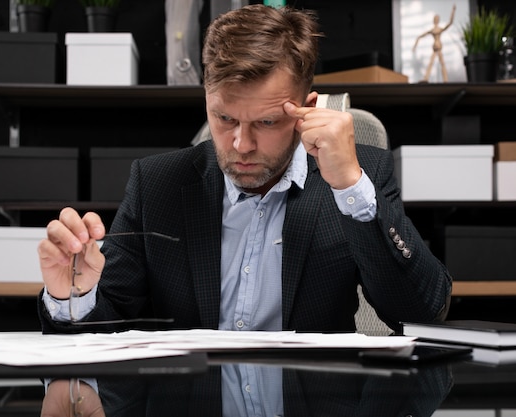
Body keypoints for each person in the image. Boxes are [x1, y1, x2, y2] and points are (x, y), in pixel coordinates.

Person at [37, 4, 452, 416]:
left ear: (308, 107)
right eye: (224, 118)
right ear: (206, 100)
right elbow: (104, 332)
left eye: (267, 123)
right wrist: (73, 294)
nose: (241, 145)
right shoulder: (157, 184)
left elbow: (423, 311)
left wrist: (351, 187)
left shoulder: (359, 175)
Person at [412, 4, 457, 82]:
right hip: (435, 47)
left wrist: (453, 11)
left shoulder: (439, 29)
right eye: (435, 19)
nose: (435, 20)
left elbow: (450, 23)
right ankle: (426, 78)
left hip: (438, 47)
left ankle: (445, 80)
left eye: (436, 19)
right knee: (431, 63)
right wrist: (415, 44)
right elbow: (421, 36)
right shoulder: (432, 30)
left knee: (442, 63)